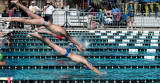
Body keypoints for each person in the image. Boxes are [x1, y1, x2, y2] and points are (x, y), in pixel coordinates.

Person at [4, 0, 85, 53]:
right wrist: (79, 46)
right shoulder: (63, 34)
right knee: (27, 21)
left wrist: (78, 46)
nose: (69, 42)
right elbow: (72, 40)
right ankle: (12, 19)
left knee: (29, 13)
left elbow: (72, 40)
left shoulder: (61, 34)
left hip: (44, 22)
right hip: (44, 22)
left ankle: (17, 3)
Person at [27, 32, 102, 75]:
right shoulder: (84, 61)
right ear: (88, 65)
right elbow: (93, 68)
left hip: (67, 52)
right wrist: (101, 74)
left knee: (49, 45)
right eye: (86, 67)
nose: (84, 67)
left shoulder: (82, 61)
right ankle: (37, 34)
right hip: (66, 53)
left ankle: (36, 36)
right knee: (51, 44)